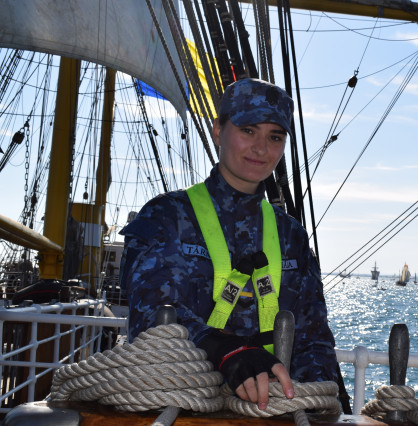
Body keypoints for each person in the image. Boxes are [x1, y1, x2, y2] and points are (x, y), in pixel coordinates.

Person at [119, 78, 338, 411]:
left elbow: (313, 339)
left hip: (270, 412)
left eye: (275, 137)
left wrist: (318, 405)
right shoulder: (167, 217)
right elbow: (152, 316)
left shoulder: (292, 236)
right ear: (218, 131)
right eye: (248, 130)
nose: (261, 149)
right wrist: (225, 351)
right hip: (179, 406)